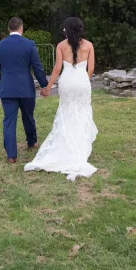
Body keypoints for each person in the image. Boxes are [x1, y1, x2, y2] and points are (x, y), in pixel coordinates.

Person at [25, 17, 98, 181]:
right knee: (82, 112)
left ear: (68, 29)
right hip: (81, 81)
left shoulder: (61, 46)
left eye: (65, 28)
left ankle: (65, 144)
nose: (63, 30)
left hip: (66, 82)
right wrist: (84, 80)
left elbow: (57, 68)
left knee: (66, 112)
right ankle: (79, 146)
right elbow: (91, 68)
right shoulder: (89, 45)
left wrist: (48, 87)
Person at [0, 17, 50, 164]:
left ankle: (11, 155)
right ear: (21, 28)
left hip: (7, 88)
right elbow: (37, 67)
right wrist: (44, 85)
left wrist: (0, 83)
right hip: (25, 88)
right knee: (28, 116)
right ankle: (32, 142)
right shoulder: (29, 45)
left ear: (8, 29)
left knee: (9, 121)